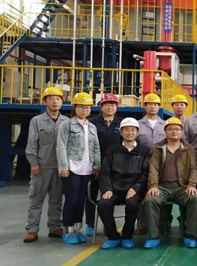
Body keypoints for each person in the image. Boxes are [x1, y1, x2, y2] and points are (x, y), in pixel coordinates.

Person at [143, 117, 197, 249]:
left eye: (177, 129)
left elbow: (193, 169)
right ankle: (153, 236)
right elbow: (153, 168)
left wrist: (192, 185)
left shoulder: (189, 149)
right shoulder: (158, 148)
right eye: (170, 129)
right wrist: (153, 186)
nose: (174, 132)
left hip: (182, 187)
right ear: (165, 132)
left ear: (181, 132)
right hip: (162, 187)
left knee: (195, 199)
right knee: (150, 200)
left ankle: (190, 235)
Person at [23, 86, 69, 243]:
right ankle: (32, 229)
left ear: (62, 102)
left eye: (58, 99)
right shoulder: (37, 121)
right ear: (44, 102)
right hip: (41, 167)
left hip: (60, 168)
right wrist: (34, 163)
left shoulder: (66, 122)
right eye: (51, 98)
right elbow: (31, 144)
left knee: (56, 200)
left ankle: (55, 227)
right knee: (36, 199)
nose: (55, 101)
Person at [98, 117, 150, 250]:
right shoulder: (112, 150)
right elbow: (105, 172)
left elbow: (146, 173)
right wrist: (107, 189)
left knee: (132, 204)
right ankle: (113, 237)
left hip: (133, 188)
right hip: (114, 188)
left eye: (133, 130)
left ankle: (127, 236)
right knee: (103, 205)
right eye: (126, 130)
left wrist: (136, 188)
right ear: (121, 132)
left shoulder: (144, 151)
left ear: (137, 132)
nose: (130, 133)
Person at [56, 92, 101, 245]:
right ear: (75, 108)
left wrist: (96, 165)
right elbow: (61, 146)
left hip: (87, 169)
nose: (84, 110)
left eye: (87, 107)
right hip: (72, 168)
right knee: (71, 200)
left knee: (81, 200)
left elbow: (96, 148)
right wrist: (63, 166)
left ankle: (77, 229)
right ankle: (67, 231)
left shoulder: (92, 127)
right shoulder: (67, 124)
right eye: (81, 107)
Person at [85, 92, 122, 237]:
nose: (110, 107)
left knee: (109, 197)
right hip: (95, 167)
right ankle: (90, 224)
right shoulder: (92, 123)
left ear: (117, 107)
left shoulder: (121, 124)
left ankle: (108, 225)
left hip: (115, 169)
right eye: (107, 104)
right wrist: (95, 165)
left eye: (113, 104)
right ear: (101, 106)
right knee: (91, 196)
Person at [136, 92, 166, 234]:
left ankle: (161, 221)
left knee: (161, 191)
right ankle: (143, 222)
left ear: (159, 106)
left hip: (161, 164)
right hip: (142, 164)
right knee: (142, 192)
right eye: (149, 104)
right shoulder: (137, 125)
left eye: (155, 104)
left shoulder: (165, 125)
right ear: (145, 106)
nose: (152, 107)